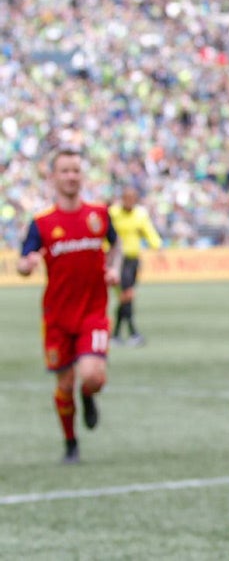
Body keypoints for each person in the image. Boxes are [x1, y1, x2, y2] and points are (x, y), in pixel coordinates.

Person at [17, 147, 121, 464]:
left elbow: (115, 244)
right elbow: (23, 261)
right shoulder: (42, 223)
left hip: (93, 313)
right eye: (65, 170)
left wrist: (114, 267)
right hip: (57, 316)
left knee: (92, 377)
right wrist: (28, 265)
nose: (71, 176)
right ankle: (70, 443)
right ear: (53, 177)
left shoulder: (99, 214)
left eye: (76, 170)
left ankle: (88, 395)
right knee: (64, 383)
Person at [109, 186, 163, 346]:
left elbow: (148, 231)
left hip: (133, 260)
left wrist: (157, 246)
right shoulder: (113, 213)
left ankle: (117, 335)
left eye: (132, 198)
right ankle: (132, 333)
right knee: (127, 294)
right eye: (127, 198)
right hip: (118, 260)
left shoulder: (140, 214)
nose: (129, 201)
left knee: (126, 297)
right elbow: (106, 234)